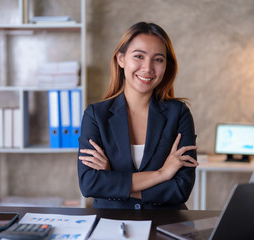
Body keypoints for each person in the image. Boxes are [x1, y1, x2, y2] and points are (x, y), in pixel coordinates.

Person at [78, 22, 198, 209]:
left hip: (166, 224)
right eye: (139, 56)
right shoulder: (96, 115)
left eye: (158, 59)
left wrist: (113, 181)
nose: (148, 68)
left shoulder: (179, 113)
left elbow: (181, 189)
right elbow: (89, 184)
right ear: (121, 59)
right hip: (111, 223)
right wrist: (163, 174)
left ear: (166, 66)